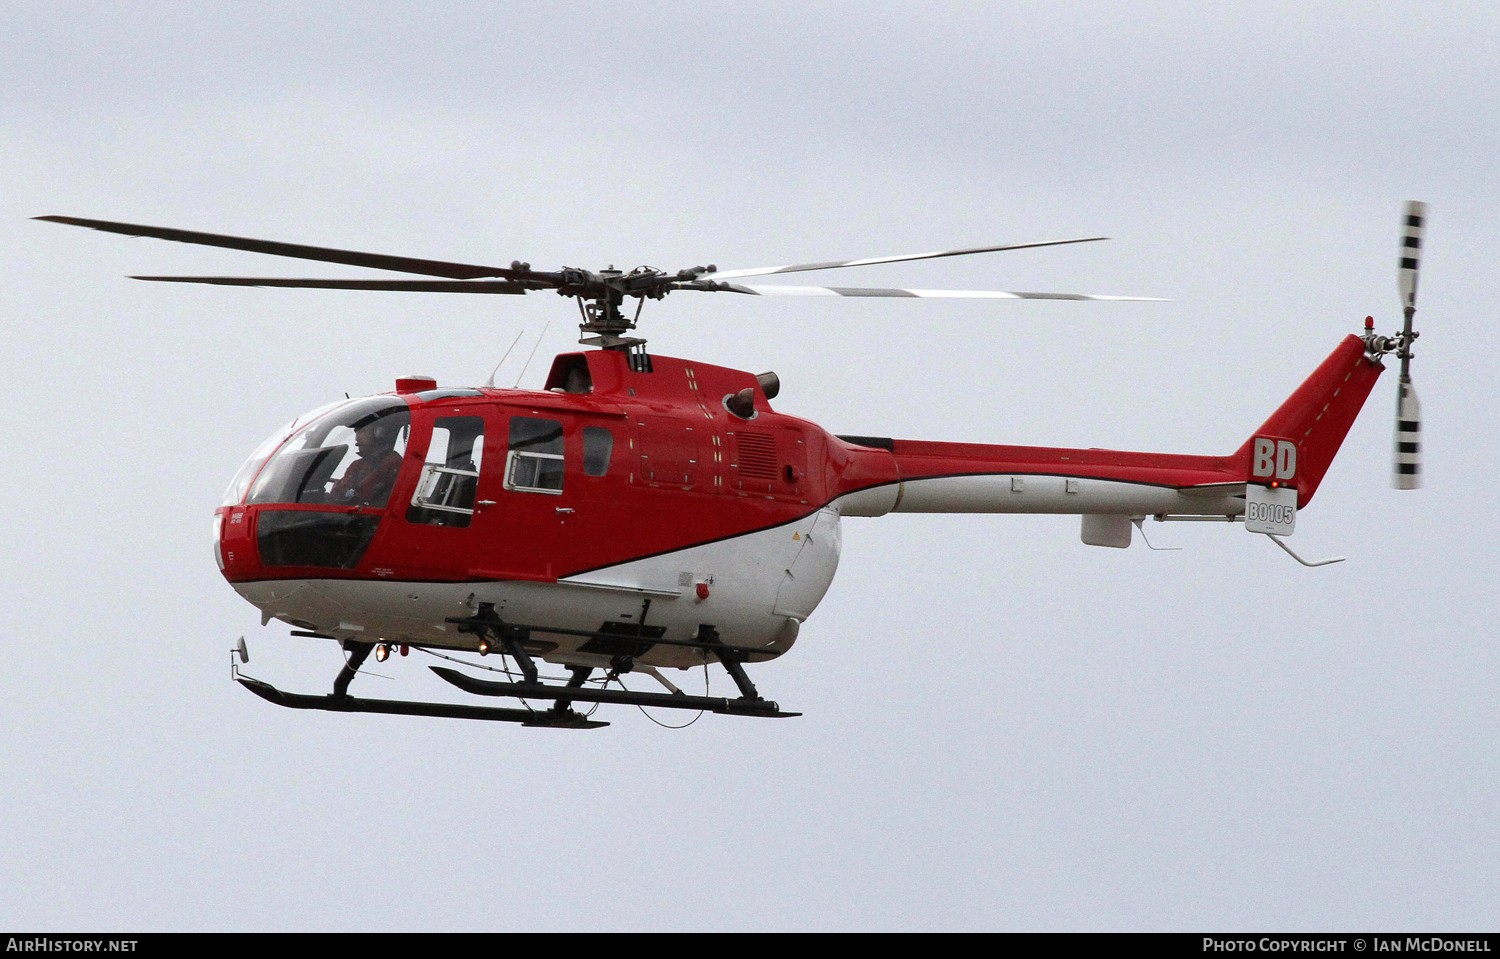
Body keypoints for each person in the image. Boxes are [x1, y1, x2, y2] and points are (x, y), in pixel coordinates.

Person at [330, 416, 405, 507]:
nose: (357, 438)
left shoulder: (392, 462)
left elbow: (366, 494)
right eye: (356, 433)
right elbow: (339, 493)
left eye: (362, 432)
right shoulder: (356, 465)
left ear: (378, 433)